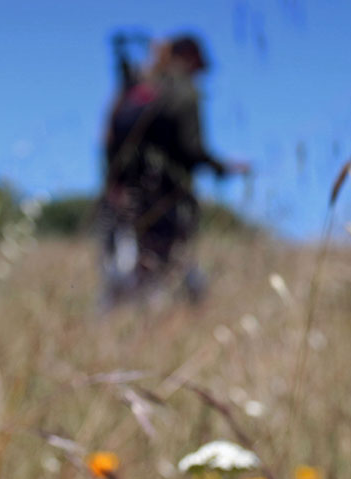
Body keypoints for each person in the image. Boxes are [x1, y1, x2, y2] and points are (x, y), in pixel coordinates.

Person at [98, 33, 247, 308]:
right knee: (164, 270)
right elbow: (192, 148)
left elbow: (108, 140)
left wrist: (113, 186)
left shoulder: (141, 88)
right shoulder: (183, 92)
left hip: (125, 194)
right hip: (165, 195)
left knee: (125, 268)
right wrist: (223, 167)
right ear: (190, 57)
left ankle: (114, 329)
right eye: (200, 65)